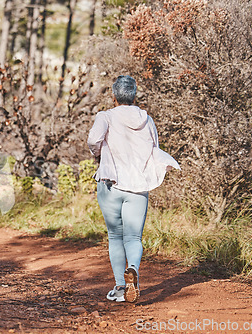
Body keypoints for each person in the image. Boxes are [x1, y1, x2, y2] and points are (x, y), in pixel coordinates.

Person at [87, 75, 180, 303]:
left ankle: (120, 287)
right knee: (133, 237)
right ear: (134, 95)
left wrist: (99, 154)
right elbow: (154, 148)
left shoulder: (105, 116)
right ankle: (134, 269)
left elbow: (93, 140)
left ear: (113, 95)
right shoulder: (147, 120)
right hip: (138, 186)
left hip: (110, 183)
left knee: (115, 236)